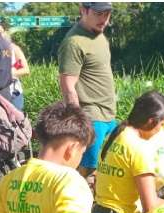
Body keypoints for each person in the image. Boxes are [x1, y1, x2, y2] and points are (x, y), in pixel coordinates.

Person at [91, 90, 164, 213]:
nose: (162, 131)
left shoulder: (118, 133)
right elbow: (150, 204)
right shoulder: (140, 148)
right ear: (151, 121)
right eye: (162, 125)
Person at [58, 2, 117, 180]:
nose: (104, 19)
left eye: (107, 14)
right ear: (83, 10)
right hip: (91, 116)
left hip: (109, 114)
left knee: (108, 168)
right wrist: (79, 120)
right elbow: (67, 85)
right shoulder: (73, 42)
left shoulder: (100, 37)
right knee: (88, 171)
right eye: (99, 14)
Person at [0, 22, 30, 111]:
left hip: (13, 91)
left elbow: (26, 70)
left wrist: (9, 73)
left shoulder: (14, 49)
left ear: (5, 32)